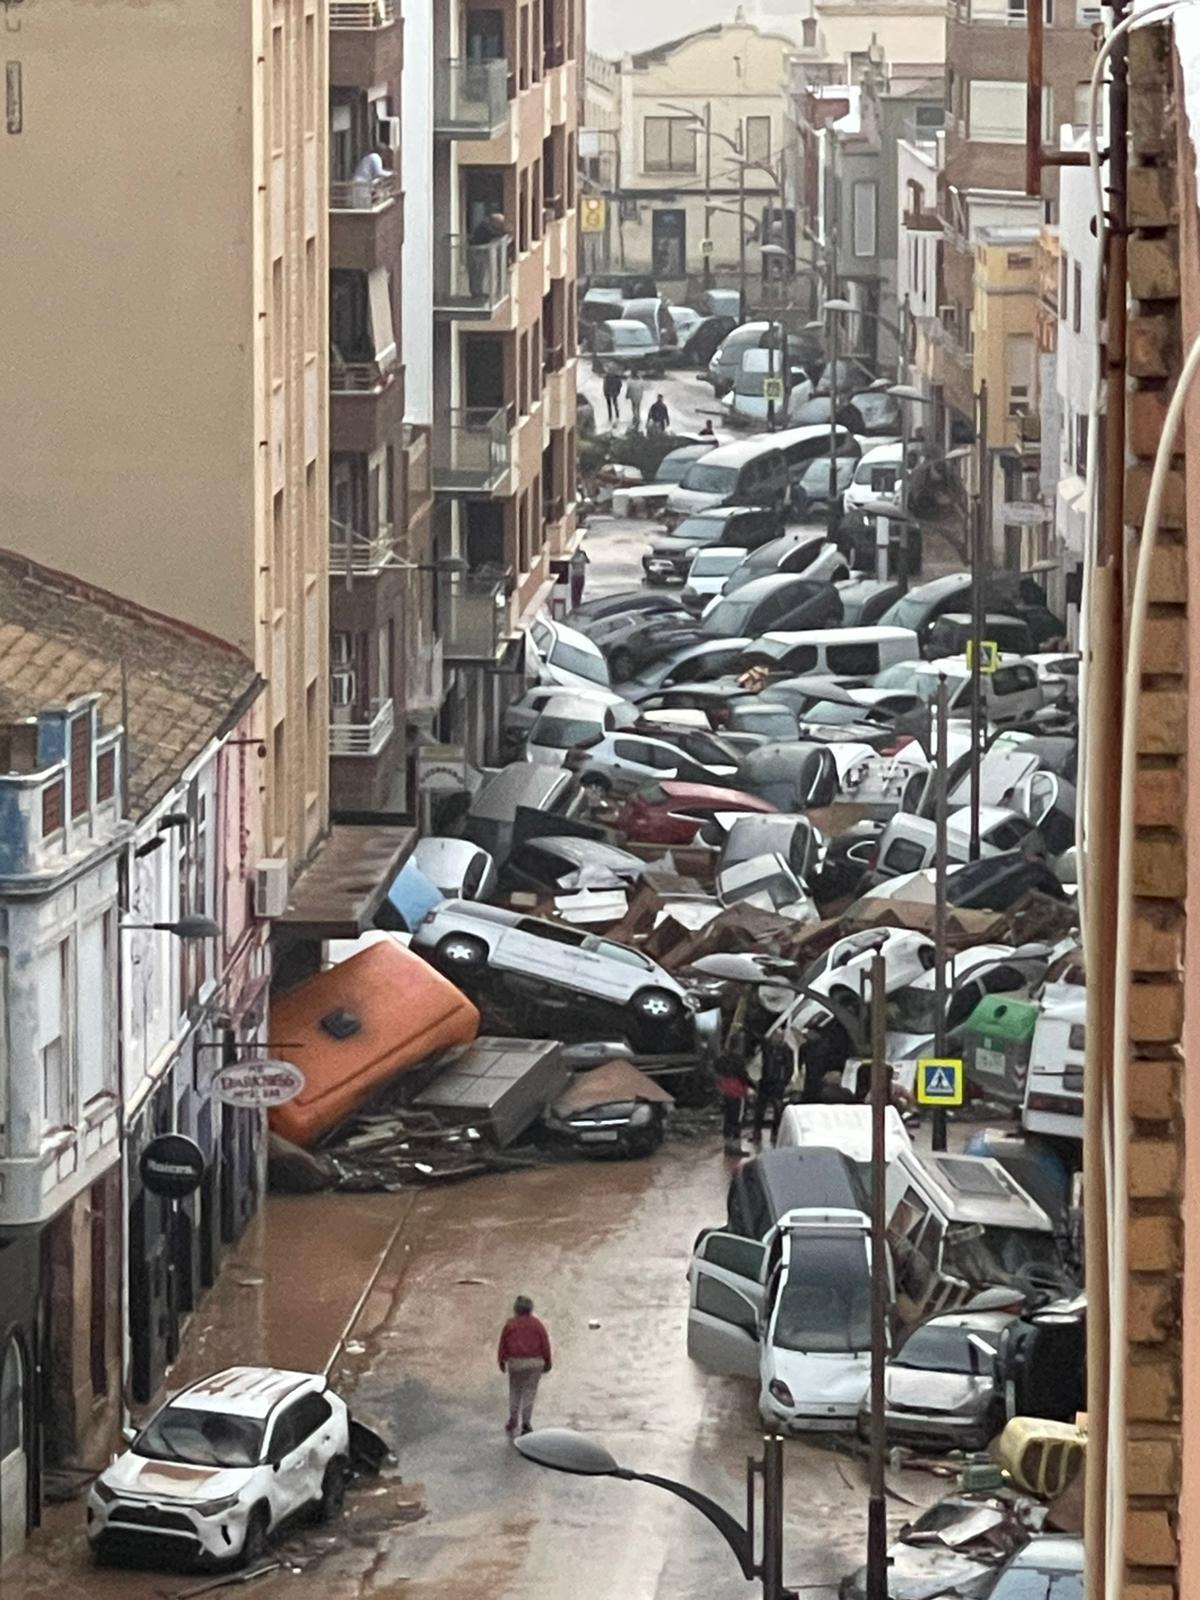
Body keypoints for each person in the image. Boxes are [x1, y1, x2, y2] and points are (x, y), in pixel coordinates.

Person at [497, 1295, 552, 1437]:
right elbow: (545, 1343)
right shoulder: (537, 1324)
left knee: (515, 1390)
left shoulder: (510, 1324)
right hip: (534, 1362)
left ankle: (513, 1419)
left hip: (515, 1362)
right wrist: (547, 1361)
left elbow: (502, 1344)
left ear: (516, 1308)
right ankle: (526, 1423)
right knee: (529, 1392)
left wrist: (502, 1360)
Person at [752, 1032, 794, 1145]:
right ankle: (757, 1132)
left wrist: (785, 1081)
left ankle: (775, 1133)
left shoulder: (786, 1050)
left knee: (777, 1110)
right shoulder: (767, 1047)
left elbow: (790, 1067)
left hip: (777, 1083)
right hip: (765, 1081)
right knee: (760, 1108)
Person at [468, 211, 509, 298]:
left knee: (481, 273)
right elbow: (490, 235)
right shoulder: (484, 228)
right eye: (499, 224)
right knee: (477, 273)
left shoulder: (486, 226)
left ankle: (479, 292)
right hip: (477, 252)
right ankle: (476, 293)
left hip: (481, 253)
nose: (500, 226)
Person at [716, 1050, 750, 1156]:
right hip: (738, 1094)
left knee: (728, 1119)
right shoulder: (738, 1061)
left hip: (728, 1094)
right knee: (738, 1120)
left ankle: (728, 1146)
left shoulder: (722, 1061)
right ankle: (736, 1148)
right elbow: (744, 1076)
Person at [569, 542, 590, 608]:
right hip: (576, 576)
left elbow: (588, 561)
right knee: (576, 593)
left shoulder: (579, 554)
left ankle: (576, 605)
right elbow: (588, 561)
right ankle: (576, 605)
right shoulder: (575, 555)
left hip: (578, 576)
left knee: (577, 592)